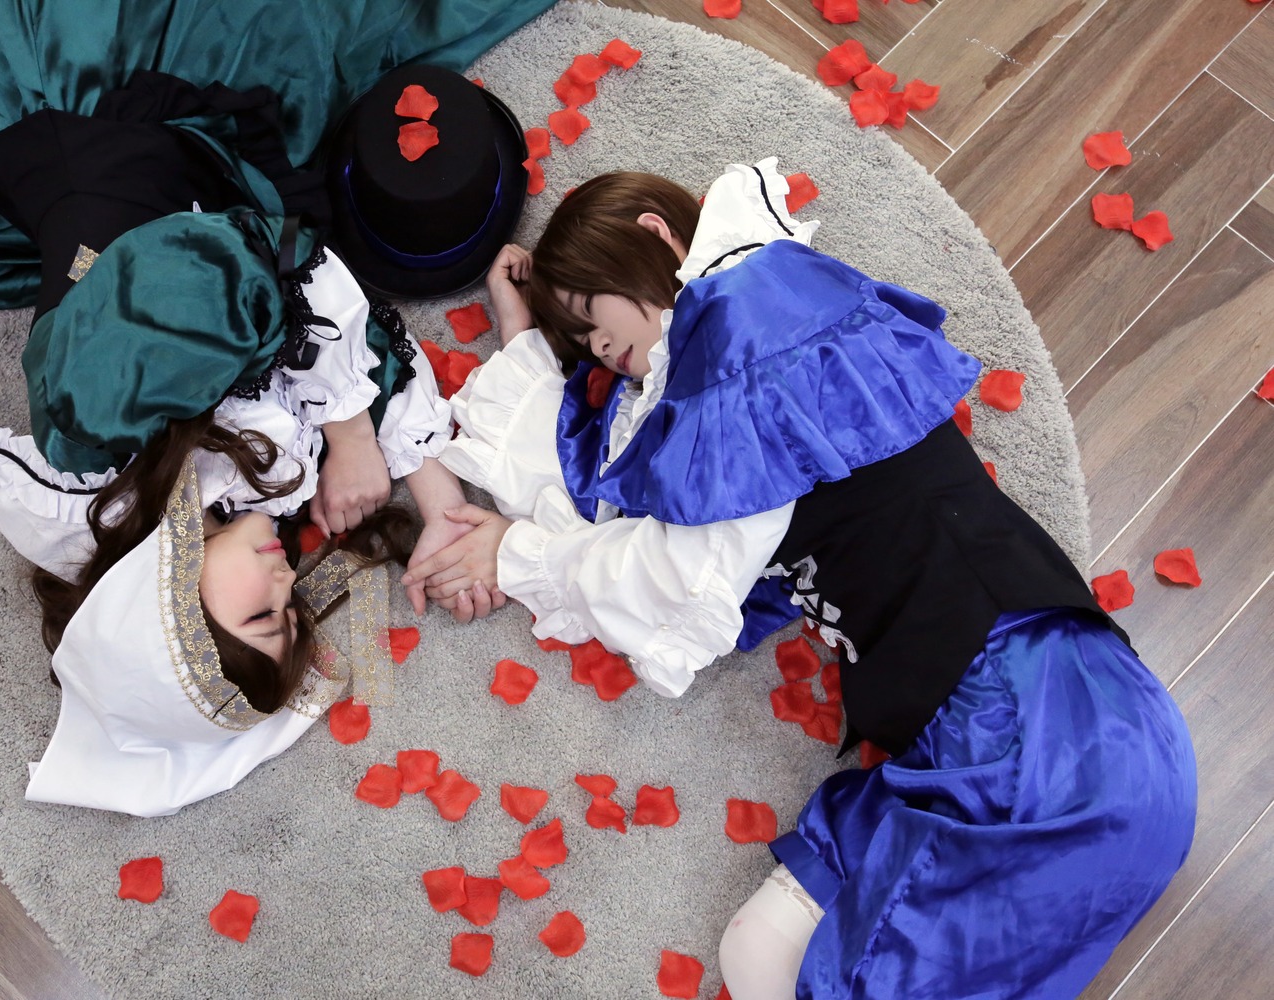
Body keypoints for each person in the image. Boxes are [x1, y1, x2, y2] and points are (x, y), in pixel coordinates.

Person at [404, 159, 1197, 998]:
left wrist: (517, 555)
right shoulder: (717, 382)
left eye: (590, 317)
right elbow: (613, 499)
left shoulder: (749, 322)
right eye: (583, 343)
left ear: (653, 233)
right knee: (755, 957)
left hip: (1046, 724)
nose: (598, 350)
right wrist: (520, 328)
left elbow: (672, 573)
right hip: (953, 739)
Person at [0, 68, 516, 817]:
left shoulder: (98, 419)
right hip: (180, 223)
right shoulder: (212, 517)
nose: (287, 590)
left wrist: (349, 434)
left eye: (261, 615)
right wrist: (438, 502)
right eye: (291, 618)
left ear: (172, 617)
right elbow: (366, 342)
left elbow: (277, 264)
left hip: (122, 167)